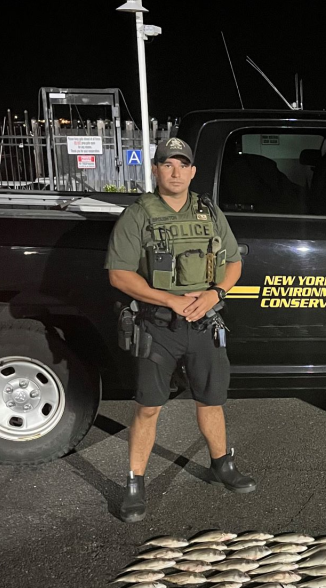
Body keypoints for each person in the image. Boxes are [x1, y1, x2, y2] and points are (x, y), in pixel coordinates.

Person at [105, 136, 256, 523]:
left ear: (192, 171)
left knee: (211, 400)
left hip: (204, 321)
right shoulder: (138, 215)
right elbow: (119, 275)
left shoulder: (208, 210)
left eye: (182, 165)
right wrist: (169, 299)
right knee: (149, 406)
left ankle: (222, 464)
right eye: (167, 164)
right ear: (155, 169)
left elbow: (234, 263)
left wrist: (215, 293)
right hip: (158, 325)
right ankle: (136, 482)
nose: (175, 172)